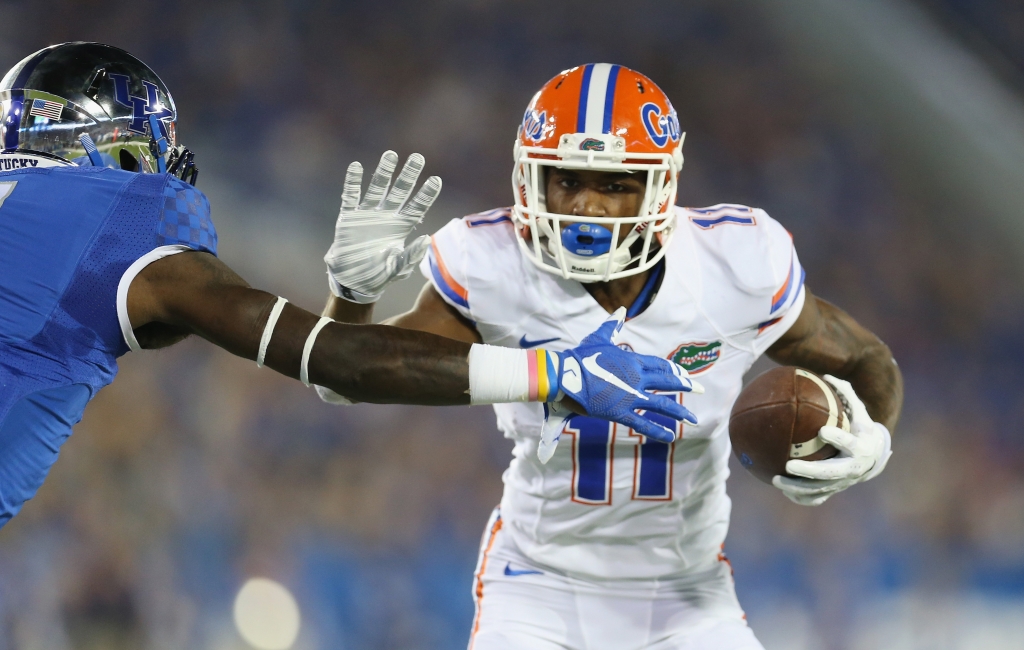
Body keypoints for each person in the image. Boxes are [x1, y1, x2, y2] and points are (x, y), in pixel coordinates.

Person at [0, 45, 703, 530]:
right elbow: (342, 365)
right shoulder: (126, 222)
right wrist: (559, 370)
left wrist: (352, 294)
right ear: (118, 147)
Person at [322, 63, 904, 649]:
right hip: (536, 584)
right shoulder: (493, 262)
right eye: (567, 181)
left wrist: (875, 437)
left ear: (660, 189)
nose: (587, 207)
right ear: (532, 180)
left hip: (685, 591)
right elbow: (347, 375)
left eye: (614, 184)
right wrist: (352, 296)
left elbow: (865, 357)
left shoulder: (735, 264)